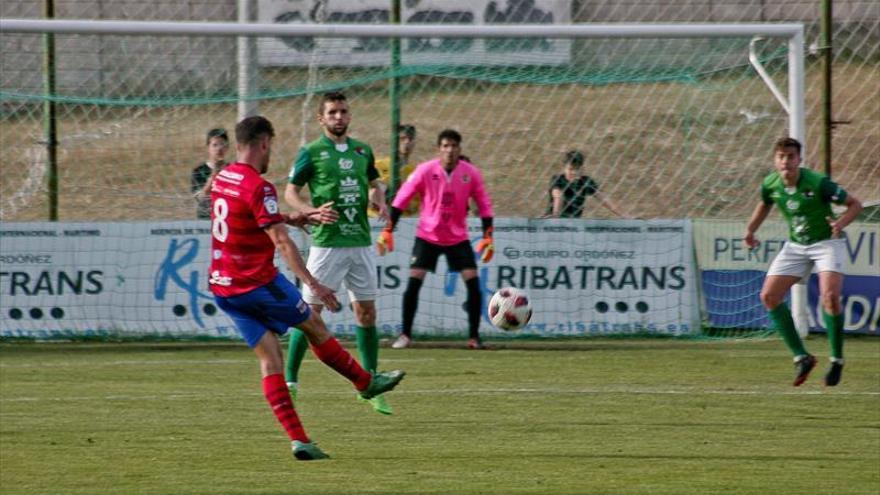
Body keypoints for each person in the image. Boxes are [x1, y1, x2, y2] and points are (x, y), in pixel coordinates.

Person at [209, 115, 404, 461]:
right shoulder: (259, 185)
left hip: (225, 287)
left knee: (270, 361)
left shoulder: (223, 178)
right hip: (257, 283)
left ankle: (300, 441)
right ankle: (365, 382)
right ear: (264, 143)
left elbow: (246, 215)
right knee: (314, 325)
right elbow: (282, 245)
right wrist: (313, 284)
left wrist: (290, 217)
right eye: (271, 146)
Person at [284, 92, 393, 415]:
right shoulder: (311, 152)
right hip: (327, 242)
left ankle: (371, 386)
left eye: (343, 111)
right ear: (321, 119)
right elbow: (291, 192)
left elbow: (374, 182)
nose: (339, 117)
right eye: (332, 112)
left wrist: (378, 198)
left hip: (359, 241)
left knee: (367, 312)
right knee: (307, 315)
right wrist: (310, 210)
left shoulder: (363, 150)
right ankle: (290, 382)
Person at [743, 137, 862, 387]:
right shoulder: (771, 183)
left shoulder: (818, 183)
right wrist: (751, 230)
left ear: (800, 160)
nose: (786, 161)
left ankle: (837, 359)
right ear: (775, 160)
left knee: (829, 296)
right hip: (797, 245)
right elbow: (765, 204)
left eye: (790, 156)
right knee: (768, 296)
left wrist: (840, 223)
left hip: (827, 242)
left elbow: (855, 204)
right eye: (781, 157)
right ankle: (802, 357)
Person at [377, 129, 495, 350]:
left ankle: (474, 337)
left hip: (457, 238)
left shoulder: (470, 173)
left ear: (460, 149)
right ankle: (405, 335)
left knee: (473, 283)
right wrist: (388, 230)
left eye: (453, 146)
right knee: (414, 283)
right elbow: (402, 199)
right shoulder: (425, 170)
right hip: (428, 236)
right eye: (445, 146)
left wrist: (488, 235)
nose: (449, 150)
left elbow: (484, 204)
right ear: (438, 149)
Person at [544, 150, 630, 218]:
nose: (574, 172)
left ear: (581, 168)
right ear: (564, 168)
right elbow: (558, 196)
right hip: (556, 220)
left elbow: (604, 199)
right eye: (570, 169)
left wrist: (624, 215)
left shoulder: (586, 181)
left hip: (574, 224)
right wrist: (555, 217)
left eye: (577, 169)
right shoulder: (558, 179)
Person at [371, 124, 420, 217]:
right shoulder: (379, 165)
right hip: (376, 219)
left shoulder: (416, 173)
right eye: (402, 138)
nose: (406, 142)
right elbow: (371, 195)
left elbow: (415, 207)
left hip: (402, 223)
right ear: (394, 141)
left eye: (410, 139)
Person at [191, 127, 229, 219]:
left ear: (227, 147)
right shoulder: (199, 171)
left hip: (227, 218)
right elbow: (200, 198)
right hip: (206, 219)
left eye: (222, 144)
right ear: (208, 147)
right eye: (215, 145)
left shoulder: (232, 170)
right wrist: (214, 175)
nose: (219, 148)